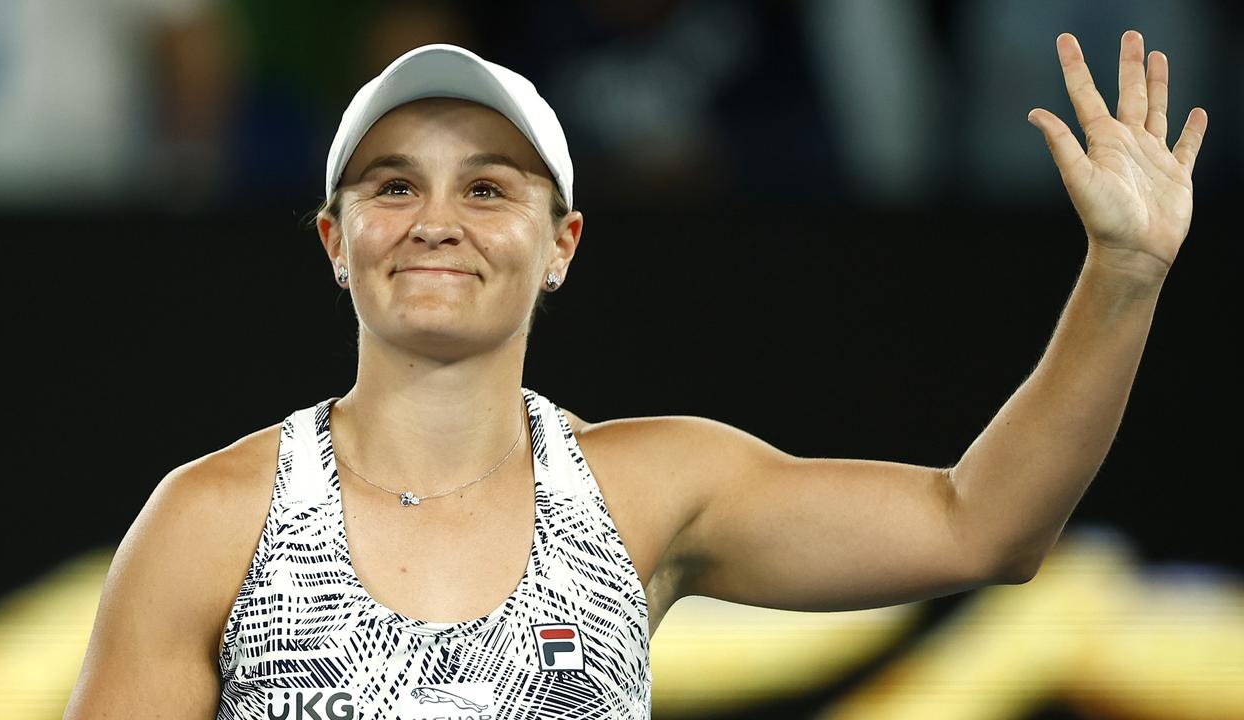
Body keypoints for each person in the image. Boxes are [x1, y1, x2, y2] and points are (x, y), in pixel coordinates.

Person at [64, 31, 1207, 720]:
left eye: (489, 188)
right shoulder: (211, 519)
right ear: (333, 239)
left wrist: (1122, 271)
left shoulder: (645, 490)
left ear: (560, 245)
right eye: (393, 186)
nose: (435, 223)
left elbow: (981, 527)